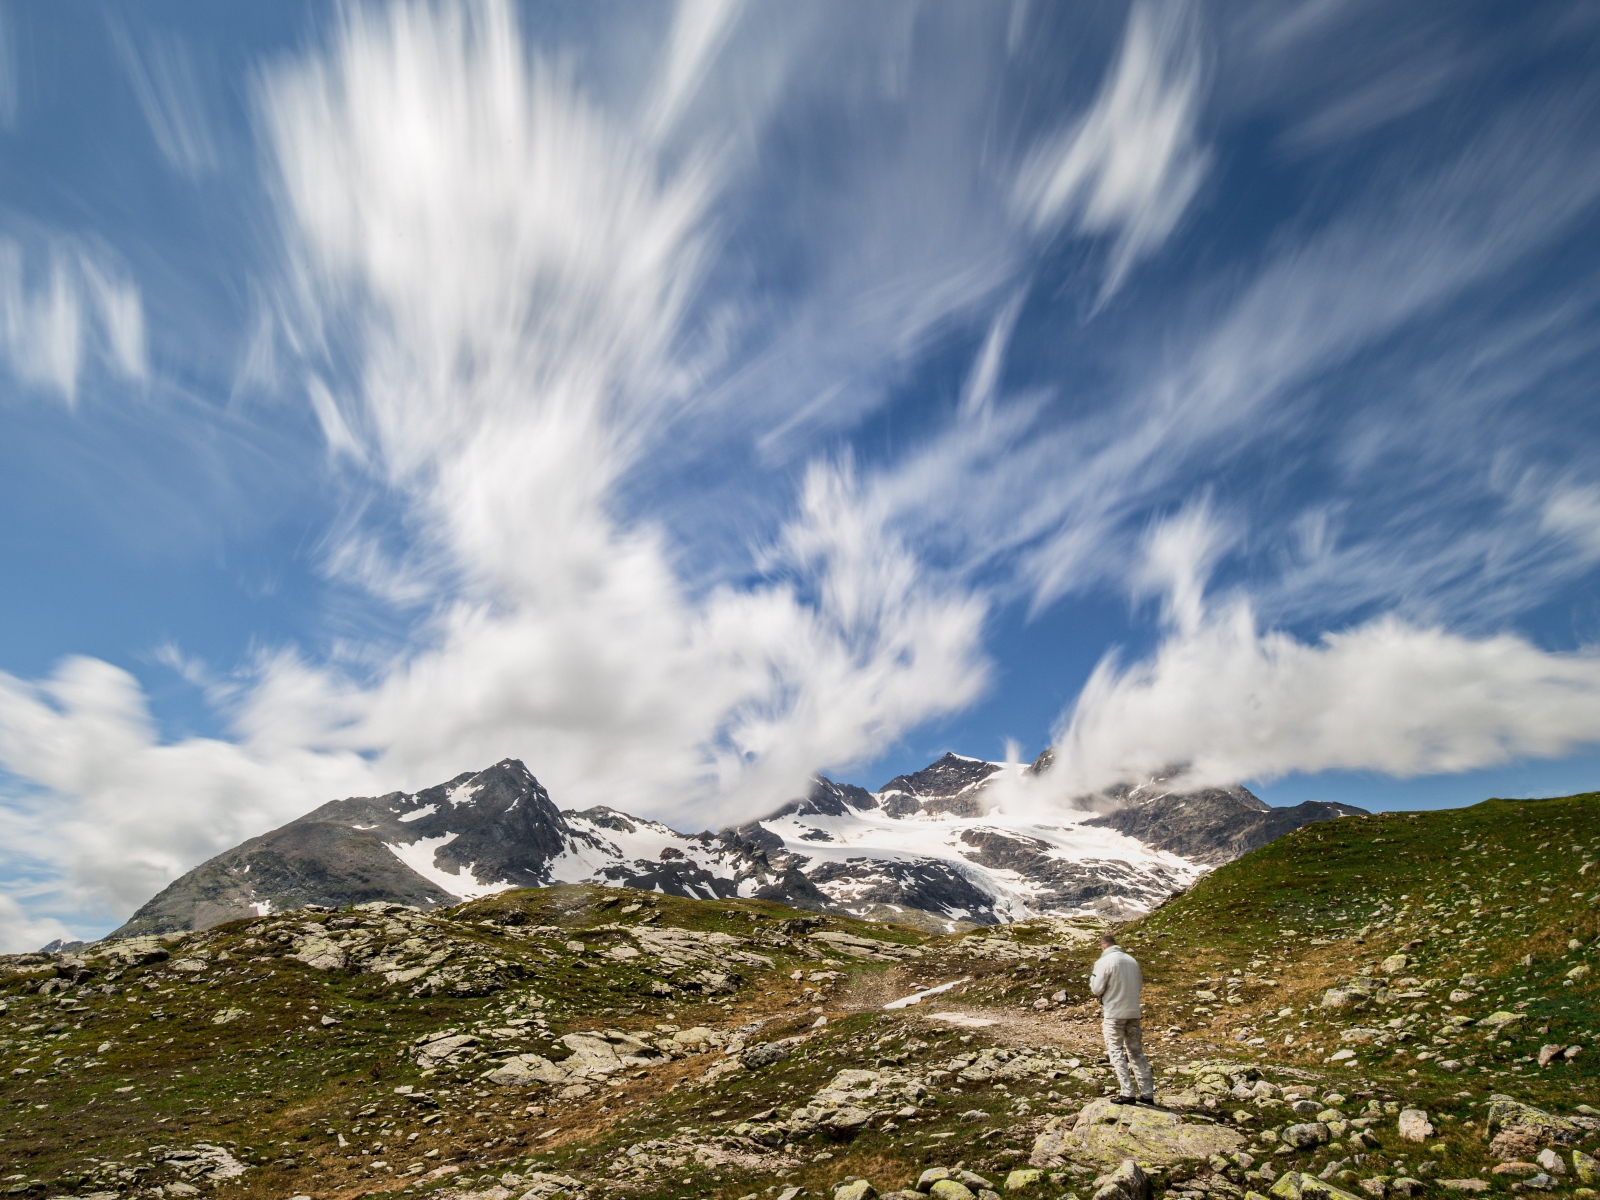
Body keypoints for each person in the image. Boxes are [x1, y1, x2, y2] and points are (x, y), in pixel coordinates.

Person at [1089, 929, 1154, 1105]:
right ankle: (1147, 1093)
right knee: (1136, 1051)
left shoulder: (1104, 962)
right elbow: (1139, 985)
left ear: (1103, 946)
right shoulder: (1132, 961)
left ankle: (1127, 1092)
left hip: (1113, 1013)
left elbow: (1096, 989)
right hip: (1133, 1012)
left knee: (1116, 1050)